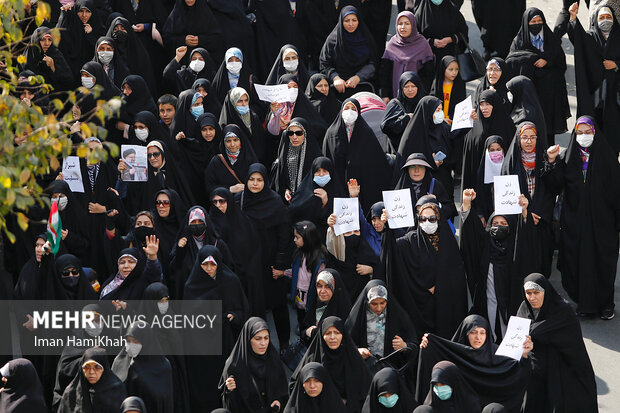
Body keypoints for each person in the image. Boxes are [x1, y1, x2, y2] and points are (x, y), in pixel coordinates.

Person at [544, 116, 620, 319]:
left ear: (595, 133)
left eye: (588, 132)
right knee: (576, 262)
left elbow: (616, 192)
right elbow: (555, 186)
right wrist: (552, 162)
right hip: (575, 223)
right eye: (580, 133)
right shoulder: (568, 158)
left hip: (602, 225)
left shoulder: (607, 158)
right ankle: (583, 303)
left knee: (602, 263)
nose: (584, 136)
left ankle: (606, 304)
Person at [383, 201, 468, 338]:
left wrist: (440, 286)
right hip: (419, 304)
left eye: (432, 218)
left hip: (444, 304)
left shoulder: (448, 242)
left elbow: (455, 273)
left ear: (439, 219)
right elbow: (392, 251)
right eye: (423, 218)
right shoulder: (410, 241)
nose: (427, 222)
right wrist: (387, 226)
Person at [517, 273, 598, 413]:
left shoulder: (562, 312)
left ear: (545, 292)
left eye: (536, 292)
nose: (532, 298)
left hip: (559, 366)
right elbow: (517, 334)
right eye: (528, 293)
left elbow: (573, 348)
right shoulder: (524, 307)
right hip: (534, 366)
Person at [460, 188, 536, 337]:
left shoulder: (515, 246)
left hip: (511, 299)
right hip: (488, 298)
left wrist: (525, 213)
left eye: (503, 223)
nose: (499, 226)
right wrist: (467, 204)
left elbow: (527, 239)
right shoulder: (485, 245)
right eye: (495, 223)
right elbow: (471, 235)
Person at [418, 314, 533, 412]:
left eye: (482, 333)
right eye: (473, 332)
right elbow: (440, 370)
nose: (478, 337)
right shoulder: (455, 354)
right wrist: (428, 345)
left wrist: (524, 355)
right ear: (465, 333)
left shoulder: (498, 354)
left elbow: (516, 373)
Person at [183, 245, 249, 411]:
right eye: (205, 264)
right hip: (200, 347)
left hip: (225, 341)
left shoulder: (230, 281)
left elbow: (243, 310)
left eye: (213, 264)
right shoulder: (192, 286)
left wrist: (234, 316)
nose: (209, 269)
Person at [238, 164, 291, 346]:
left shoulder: (275, 202)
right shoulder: (241, 200)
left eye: (259, 180)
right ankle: (260, 346)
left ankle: (284, 345)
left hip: (271, 265)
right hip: (250, 265)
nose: (254, 183)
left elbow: (285, 235)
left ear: (265, 181)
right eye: (251, 180)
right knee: (255, 306)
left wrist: (280, 265)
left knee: (278, 305)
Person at [507, 8, 570, 145]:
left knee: (548, 130)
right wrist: (530, 61)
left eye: (539, 21)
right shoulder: (518, 42)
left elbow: (561, 62)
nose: (537, 24)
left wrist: (547, 61)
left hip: (548, 94)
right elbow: (512, 63)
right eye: (533, 21)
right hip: (529, 93)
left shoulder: (550, 39)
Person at [501, 122, 557, 277]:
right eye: (524, 137)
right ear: (518, 139)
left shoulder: (545, 159)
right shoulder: (510, 162)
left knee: (540, 262)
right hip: (519, 221)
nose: (528, 141)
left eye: (532, 137)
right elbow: (507, 193)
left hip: (541, 220)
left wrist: (536, 213)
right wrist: (525, 214)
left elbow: (552, 190)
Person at [322, 98, 392, 213]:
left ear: (358, 111)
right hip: (339, 185)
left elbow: (377, 163)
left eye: (353, 109)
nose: (350, 111)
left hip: (363, 184)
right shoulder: (331, 134)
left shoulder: (366, 133)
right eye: (347, 108)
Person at [567, 3, 620, 152]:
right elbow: (577, 39)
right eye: (601, 17)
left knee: (613, 133)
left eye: (608, 17)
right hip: (595, 93)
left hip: (615, 94)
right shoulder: (590, 37)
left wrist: (616, 64)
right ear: (596, 20)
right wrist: (573, 18)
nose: (605, 20)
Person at [345, 280, 419, 386]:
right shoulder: (358, 317)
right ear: (367, 301)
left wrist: (405, 346)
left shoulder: (398, 316)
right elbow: (345, 342)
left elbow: (414, 344)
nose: (379, 308)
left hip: (392, 371)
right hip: (364, 371)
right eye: (374, 304)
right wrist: (357, 350)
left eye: (382, 303)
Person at [291, 316, 372, 413]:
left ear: (343, 335)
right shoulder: (312, 359)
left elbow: (366, 390)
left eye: (337, 333)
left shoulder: (353, 359)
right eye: (328, 333)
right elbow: (295, 387)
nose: (332, 337)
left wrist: (348, 402)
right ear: (322, 335)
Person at [220, 317, 288, 413]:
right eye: (258, 338)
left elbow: (283, 392)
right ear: (248, 339)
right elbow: (229, 405)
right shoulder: (234, 366)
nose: (263, 343)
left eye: (266, 338)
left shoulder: (273, 360)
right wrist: (229, 390)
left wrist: (279, 402)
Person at [168, 205, 232, 299]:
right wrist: (180, 250)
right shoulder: (183, 243)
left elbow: (228, 268)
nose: (197, 224)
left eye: (200, 221)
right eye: (193, 222)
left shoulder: (218, 244)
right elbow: (175, 270)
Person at [461, 89, 516, 195]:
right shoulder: (474, 126)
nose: (484, 108)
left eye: (488, 104)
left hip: (501, 179)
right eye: (481, 104)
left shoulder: (507, 125)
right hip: (478, 180)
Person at [111, 322, 174, 413]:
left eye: (136, 341)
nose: (131, 344)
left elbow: (167, 401)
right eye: (128, 341)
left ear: (147, 341)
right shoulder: (120, 362)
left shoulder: (163, 366)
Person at [266, 75, 327, 163]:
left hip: (304, 154)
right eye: (288, 87)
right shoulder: (276, 107)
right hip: (280, 153)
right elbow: (273, 132)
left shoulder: (305, 105)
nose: (292, 90)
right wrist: (276, 114)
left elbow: (319, 128)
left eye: (295, 87)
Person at [320, 6, 377, 98]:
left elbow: (373, 63)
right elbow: (324, 63)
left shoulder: (366, 39)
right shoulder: (333, 40)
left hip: (362, 86)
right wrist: (335, 78)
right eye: (347, 21)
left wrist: (358, 77)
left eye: (354, 20)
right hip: (339, 88)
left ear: (359, 21)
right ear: (341, 22)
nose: (351, 24)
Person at [379, 11, 434, 100]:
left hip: (418, 98)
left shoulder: (423, 45)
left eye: (407, 24)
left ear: (413, 25)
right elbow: (385, 73)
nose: (403, 27)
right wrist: (385, 95)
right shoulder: (392, 44)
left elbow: (429, 75)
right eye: (400, 24)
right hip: (395, 97)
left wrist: (423, 96)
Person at [325, 211, 380, 300]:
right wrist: (332, 227)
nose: (353, 235)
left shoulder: (368, 253)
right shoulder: (338, 254)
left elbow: (383, 271)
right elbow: (332, 240)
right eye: (347, 232)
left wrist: (372, 271)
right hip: (341, 299)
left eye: (356, 231)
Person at [288, 157, 346, 237]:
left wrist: (325, 203)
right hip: (308, 239)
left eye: (325, 171)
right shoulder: (305, 190)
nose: (321, 174)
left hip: (330, 239)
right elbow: (294, 213)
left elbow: (342, 218)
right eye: (318, 171)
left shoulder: (337, 191)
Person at [58, 347, 127, 413]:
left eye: (97, 367)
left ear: (104, 368)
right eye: (86, 367)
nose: (91, 372)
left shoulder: (116, 391)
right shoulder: (71, 394)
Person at [270, 118, 322, 202]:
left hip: (309, 201)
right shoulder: (284, 154)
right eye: (291, 133)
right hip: (287, 203)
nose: (294, 137)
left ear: (305, 134)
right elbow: (280, 179)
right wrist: (285, 190)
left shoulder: (314, 156)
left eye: (299, 133)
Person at [106, 16, 158, 97]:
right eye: (115, 29)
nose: (119, 32)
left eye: (123, 29)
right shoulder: (106, 54)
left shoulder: (140, 54)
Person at [56, 0, 105, 81]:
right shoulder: (71, 27)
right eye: (81, 11)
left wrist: (91, 34)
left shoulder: (97, 27)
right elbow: (59, 37)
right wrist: (63, 14)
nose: (84, 15)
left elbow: (99, 50)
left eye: (88, 11)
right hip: (71, 71)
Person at [300, 269, 352, 343]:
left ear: (335, 288)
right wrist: (307, 332)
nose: (322, 291)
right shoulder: (316, 304)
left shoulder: (344, 310)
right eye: (319, 286)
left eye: (328, 286)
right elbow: (304, 330)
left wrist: (314, 332)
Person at [218, 88, 267, 164]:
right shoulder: (226, 123)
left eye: (246, 100)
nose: (244, 104)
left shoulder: (253, 117)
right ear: (232, 102)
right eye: (239, 101)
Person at [381, 71, 428, 149]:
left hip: (421, 149)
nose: (410, 90)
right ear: (401, 87)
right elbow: (385, 127)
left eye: (413, 86)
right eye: (406, 86)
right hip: (400, 150)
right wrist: (405, 119)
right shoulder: (394, 104)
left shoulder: (424, 103)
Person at [22, 26, 73, 95]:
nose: (47, 43)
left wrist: (53, 67)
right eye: (43, 40)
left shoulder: (56, 55)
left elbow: (68, 80)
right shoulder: (27, 56)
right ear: (36, 40)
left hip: (53, 98)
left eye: (50, 40)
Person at [413, 361, 481, 413]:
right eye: (436, 384)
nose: (439, 388)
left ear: (453, 383)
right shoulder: (430, 406)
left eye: (443, 384)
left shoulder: (470, 404)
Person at [473, 136, 508, 221]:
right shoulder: (481, 172)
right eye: (492, 150)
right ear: (487, 151)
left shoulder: (510, 168)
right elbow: (479, 197)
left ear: (503, 150)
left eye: (498, 149)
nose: (495, 152)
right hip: (488, 214)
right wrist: (481, 215)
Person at [505, 75, 547, 140]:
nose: (509, 94)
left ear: (518, 91)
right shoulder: (531, 108)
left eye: (511, 91)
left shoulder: (526, 116)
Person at [430, 56, 465, 124]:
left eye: (456, 69)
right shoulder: (437, 84)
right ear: (443, 69)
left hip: (454, 121)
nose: (454, 72)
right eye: (450, 69)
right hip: (438, 121)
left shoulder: (459, 85)